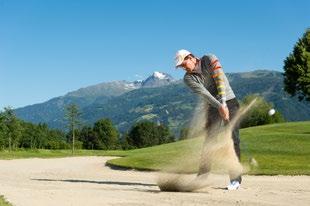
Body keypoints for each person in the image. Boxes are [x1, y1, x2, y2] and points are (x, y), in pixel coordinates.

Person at [175, 49, 241, 190]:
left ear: (191, 57)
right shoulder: (188, 79)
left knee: (233, 139)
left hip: (230, 101)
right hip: (213, 106)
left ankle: (235, 180)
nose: (183, 67)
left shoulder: (209, 58)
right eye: (180, 66)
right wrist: (219, 106)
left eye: (184, 63)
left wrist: (223, 103)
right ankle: (202, 177)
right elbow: (205, 94)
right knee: (209, 141)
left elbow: (219, 79)